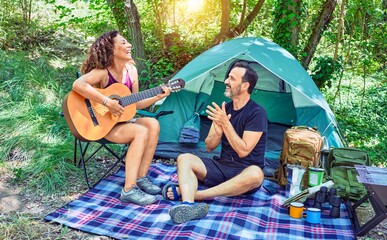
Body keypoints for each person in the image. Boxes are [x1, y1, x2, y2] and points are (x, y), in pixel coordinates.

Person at [72, 30, 172, 206]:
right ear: (111, 49)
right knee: (140, 131)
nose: (129, 45)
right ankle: (129, 189)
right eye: (124, 42)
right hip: (101, 125)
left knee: (153, 124)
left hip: (121, 123)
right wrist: (106, 102)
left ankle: (141, 177)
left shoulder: (131, 71)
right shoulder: (103, 72)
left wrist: (157, 96)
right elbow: (78, 85)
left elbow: (134, 104)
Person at [163, 61, 268, 223]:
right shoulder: (224, 109)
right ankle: (188, 206)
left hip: (244, 172)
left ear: (245, 85)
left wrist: (226, 124)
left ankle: (196, 195)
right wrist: (218, 131)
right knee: (184, 158)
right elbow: (210, 146)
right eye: (227, 77)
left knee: (257, 174)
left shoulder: (257, 113)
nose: (226, 81)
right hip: (222, 166)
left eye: (232, 78)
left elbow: (244, 151)